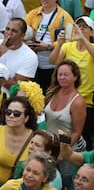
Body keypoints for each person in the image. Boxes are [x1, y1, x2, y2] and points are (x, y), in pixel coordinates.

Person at [49, 16, 94, 150]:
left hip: (86, 101)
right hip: (66, 99)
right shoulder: (68, 46)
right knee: (63, 132)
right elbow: (53, 60)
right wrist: (60, 43)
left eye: (84, 27)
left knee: (82, 136)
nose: (80, 29)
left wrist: (83, 39)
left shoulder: (91, 47)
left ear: (91, 32)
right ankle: (61, 152)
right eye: (78, 26)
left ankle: (82, 163)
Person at [44, 59, 86, 188]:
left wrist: (64, 152)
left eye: (66, 74)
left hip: (71, 149)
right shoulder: (52, 92)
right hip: (52, 146)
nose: (62, 77)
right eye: (59, 74)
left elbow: (77, 132)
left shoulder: (78, 102)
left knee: (67, 182)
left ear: (75, 77)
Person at [25, 0, 74, 92]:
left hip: (53, 65)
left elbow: (70, 39)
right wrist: (29, 41)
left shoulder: (65, 16)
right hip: (34, 63)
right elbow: (22, 29)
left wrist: (49, 46)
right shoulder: (33, 13)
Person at [0, 96, 38, 189]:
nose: (11, 116)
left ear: (26, 118)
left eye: (17, 114)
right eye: (8, 112)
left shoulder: (34, 139)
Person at [0, 18, 38, 90]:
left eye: (14, 31)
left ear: (22, 36)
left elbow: (16, 87)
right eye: (7, 29)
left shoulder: (30, 56)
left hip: (9, 98)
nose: (8, 33)